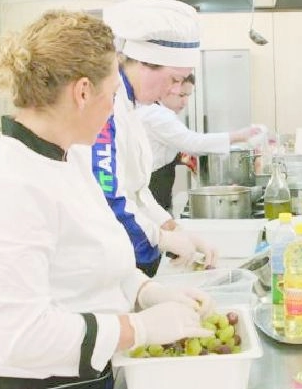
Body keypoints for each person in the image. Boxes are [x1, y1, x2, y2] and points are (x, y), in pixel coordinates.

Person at [0, 10, 214, 389]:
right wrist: (136, 328)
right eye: (112, 96)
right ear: (83, 92)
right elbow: (21, 335)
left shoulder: (69, 157)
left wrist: (146, 291)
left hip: (86, 375)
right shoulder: (7, 185)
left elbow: (95, 260)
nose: (112, 110)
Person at [87, 0, 216, 277]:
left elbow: (138, 189)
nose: (174, 90)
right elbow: (109, 195)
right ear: (145, 65)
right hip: (111, 258)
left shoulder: (132, 106)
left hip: (126, 253)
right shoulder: (106, 108)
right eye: (173, 80)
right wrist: (158, 241)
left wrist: (172, 228)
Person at [141, 73, 261, 212]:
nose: (185, 102)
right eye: (181, 95)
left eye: (188, 96)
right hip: (150, 189)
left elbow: (170, 144)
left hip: (158, 192)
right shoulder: (156, 114)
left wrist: (183, 157)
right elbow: (191, 142)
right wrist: (239, 135)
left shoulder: (161, 112)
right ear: (167, 89)